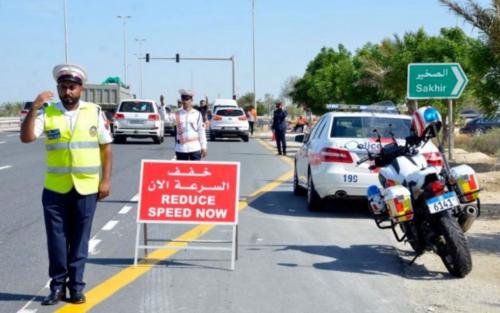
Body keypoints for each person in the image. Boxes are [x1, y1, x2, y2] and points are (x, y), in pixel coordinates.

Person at [20, 64, 112, 305]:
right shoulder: (47, 112)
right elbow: (27, 137)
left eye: (72, 87)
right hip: (55, 189)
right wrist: (34, 108)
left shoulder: (94, 111)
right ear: (58, 89)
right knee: (57, 241)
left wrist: (105, 180)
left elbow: (106, 147)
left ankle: (76, 287)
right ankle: (57, 287)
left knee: (80, 240)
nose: (68, 92)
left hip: (87, 188)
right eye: (63, 87)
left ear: (81, 89)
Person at [174, 89, 208, 160]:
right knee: (182, 170)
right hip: (181, 148)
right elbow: (164, 117)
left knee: (196, 170)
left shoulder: (197, 114)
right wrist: (162, 105)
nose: (185, 101)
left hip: (194, 148)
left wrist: (204, 146)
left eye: (187, 99)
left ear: (191, 100)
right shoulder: (177, 114)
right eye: (183, 99)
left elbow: (201, 131)